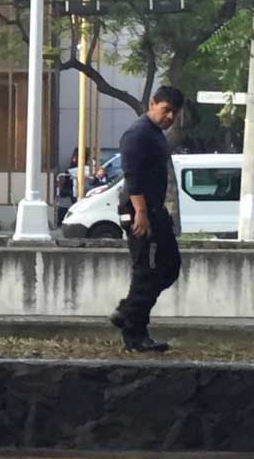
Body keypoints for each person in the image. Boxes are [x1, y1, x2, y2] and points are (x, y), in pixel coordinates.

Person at [109, 86, 184, 352]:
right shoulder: (137, 134)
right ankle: (135, 333)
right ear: (153, 104)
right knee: (144, 271)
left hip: (155, 210)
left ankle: (128, 311)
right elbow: (132, 177)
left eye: (174, 113)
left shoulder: (155, 134)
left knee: (170, 266)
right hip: (138, 210)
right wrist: (140, 212)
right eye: (165, 110)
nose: (169, 117)